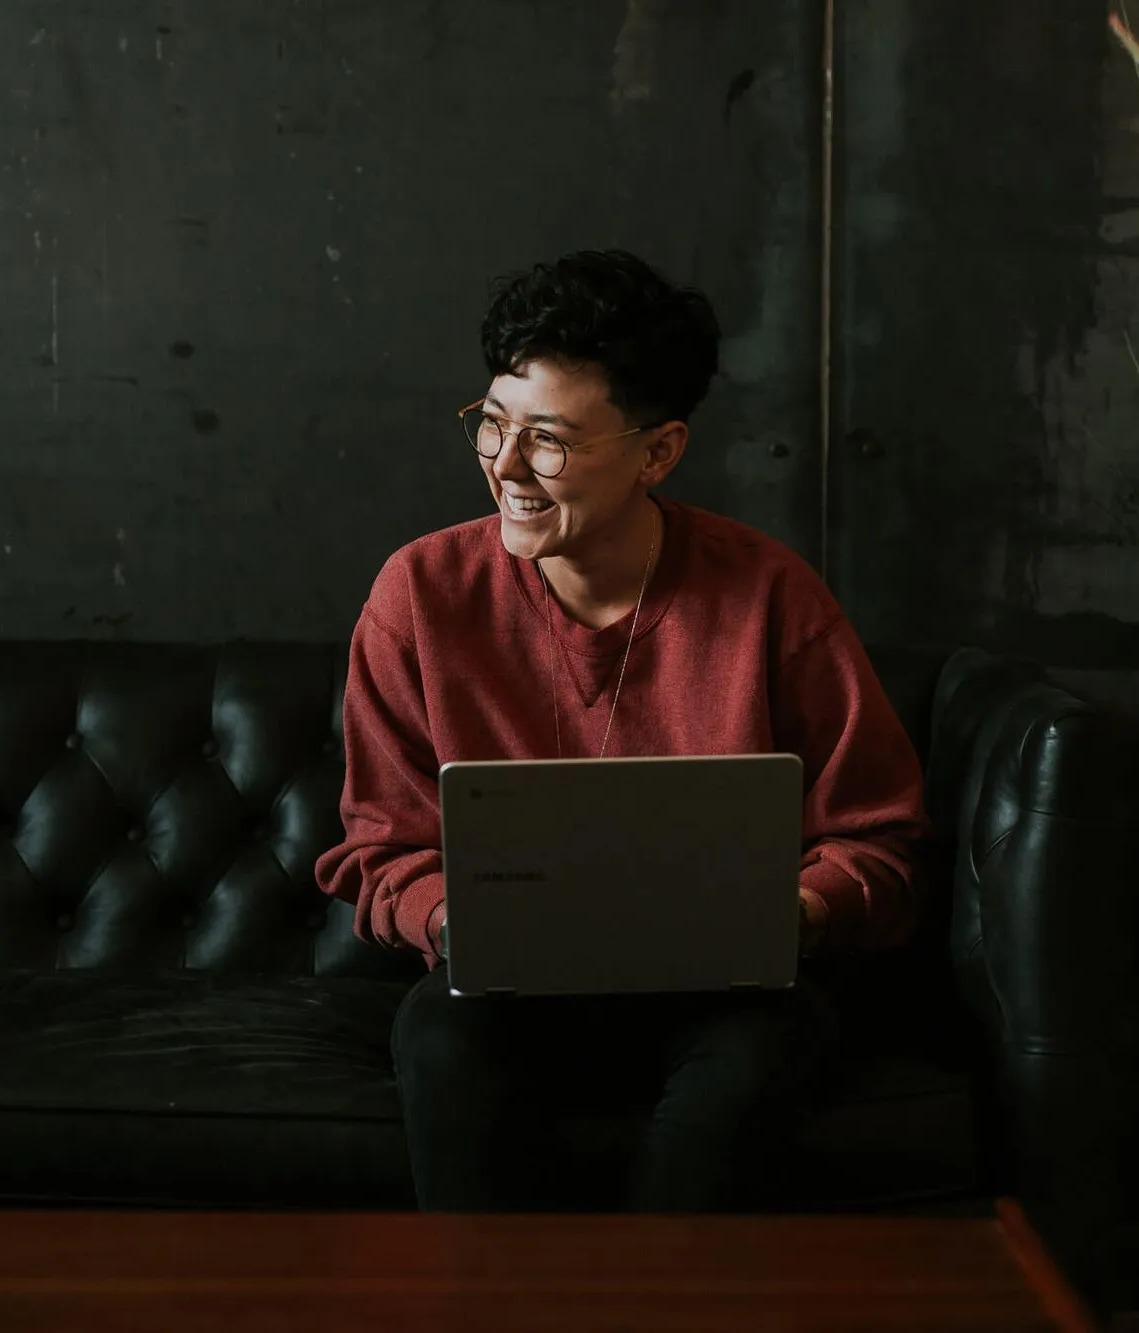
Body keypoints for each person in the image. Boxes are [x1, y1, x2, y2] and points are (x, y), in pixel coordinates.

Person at [315, 249, 928, 1212]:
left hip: (726, 994)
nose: (507, 466)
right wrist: (449, 918)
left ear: (659, 451)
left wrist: (792, 914)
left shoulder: (769, 596)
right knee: (441, 1039)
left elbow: (878, 839)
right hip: (503, 996)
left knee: (763, 1053)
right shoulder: (421, 595)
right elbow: (380, 846)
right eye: (493, 423)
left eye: (548, 439)